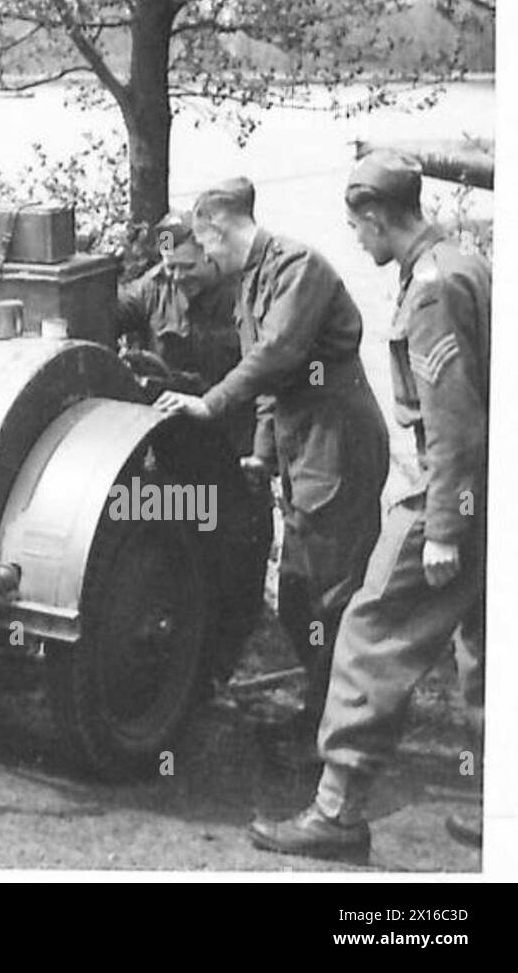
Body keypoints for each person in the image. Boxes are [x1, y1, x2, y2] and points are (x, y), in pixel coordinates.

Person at [249, 151, 490, 860]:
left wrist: (443, 526)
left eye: (359, 229)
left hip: (454, 486)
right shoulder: (465, 262)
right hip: (487, 481)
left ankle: (338, 811)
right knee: (483, 643)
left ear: (380, 218)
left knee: (368, 630)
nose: (357, 241)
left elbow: (456, 420)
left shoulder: (431, 289)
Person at [156, 177, 389, 746]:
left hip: (336, 441)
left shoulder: (298, 267)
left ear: (219, 228)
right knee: (296, 597)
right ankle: (324, 713)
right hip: (300, 442)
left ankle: (340, 733)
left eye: (205, 245)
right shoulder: (253, 279)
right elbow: (268, 376)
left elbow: (277, 354)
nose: (203, 257)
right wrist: (260, 453)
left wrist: (211, 405)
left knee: (331, 594)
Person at [116, 209, 253, 455]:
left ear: (210, 253)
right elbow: (112, 313)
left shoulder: (246, 291)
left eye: (187, 267)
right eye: (171, 267)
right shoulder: (154, 288)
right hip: (175, 438)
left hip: (235, 437)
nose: (177, 277)